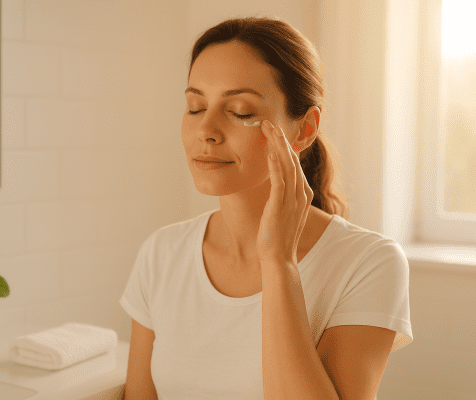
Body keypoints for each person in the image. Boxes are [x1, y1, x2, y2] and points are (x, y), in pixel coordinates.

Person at [119, 16, 412, 400]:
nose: (206, 130)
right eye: (195, 107)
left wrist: (278, 262)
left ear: (304, 129)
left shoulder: (368, 263)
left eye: (240, 111)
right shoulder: (161, 253)